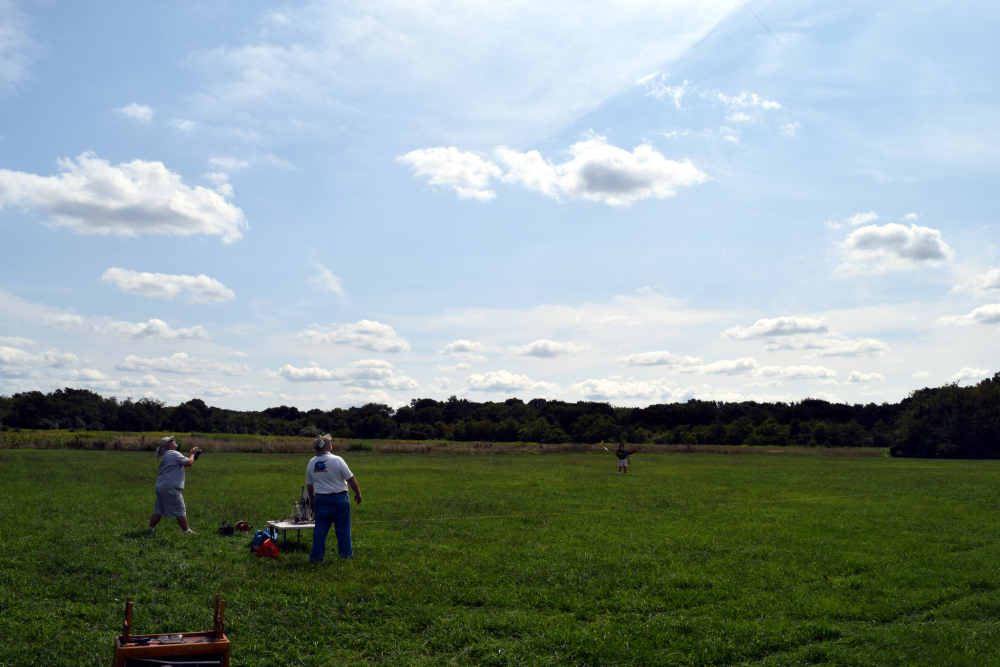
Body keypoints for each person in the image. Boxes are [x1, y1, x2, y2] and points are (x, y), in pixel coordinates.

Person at [307, 434, 362, 561]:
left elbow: (310, 485)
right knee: (343, 529)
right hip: (339, 499)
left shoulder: (311, 463)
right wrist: (358, 493)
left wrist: (311, 500)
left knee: (320, 530)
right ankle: (346, 556)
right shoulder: (337, 460)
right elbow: (351, 479)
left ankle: (316, 558)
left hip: (320, 500)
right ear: (328, 447)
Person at [148, 436, 201, 534]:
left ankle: (150, 529)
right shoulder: (174, 454)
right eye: (172, 440)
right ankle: (187, 531)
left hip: (160, 486)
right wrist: (192, 454)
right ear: (167, 445)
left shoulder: (165, 455)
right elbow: (189, 463)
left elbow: (186, 462)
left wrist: (194, 456)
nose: (174, 441)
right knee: (180, 509)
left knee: (159, 510)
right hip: (169, 487)